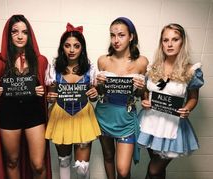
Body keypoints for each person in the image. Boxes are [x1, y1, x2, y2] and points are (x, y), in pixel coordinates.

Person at [0, 15, 51, 179]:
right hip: (9, 115)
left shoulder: (41, 61)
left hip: (34, 114)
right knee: (12, 161)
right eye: (15, 32)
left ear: (30, 35)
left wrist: (45, 93)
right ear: (8, 35)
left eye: (25, 32)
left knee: (38, 164)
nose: (20, 36)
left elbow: (50, 92)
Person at [137, 23, 204, 179]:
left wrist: (187, 108)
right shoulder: (153, 67)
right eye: (165, 40)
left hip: (172, 126)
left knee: (154, 170)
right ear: (161, 43)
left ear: (182, 42)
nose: (169, 44)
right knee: (157, 170)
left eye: (175, 39)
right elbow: (146, 92)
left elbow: (193, 97)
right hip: (149, 122)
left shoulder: (191, 70)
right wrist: (144, 100)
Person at [45, 23, 101, 179]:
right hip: (60, 115)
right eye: (67, 46)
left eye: (76, 46)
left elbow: (94, 97)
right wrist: (50, 98)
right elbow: (51, 96)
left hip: (83, 115)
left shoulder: (90, 69)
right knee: (63, 162)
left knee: (82, 168)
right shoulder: (53, 68)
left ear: (81, 48)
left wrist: (94, 94)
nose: (71, 50)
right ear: (62, 47)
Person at [95, 17, 148, 179]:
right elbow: (100, 91)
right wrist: (99, 84)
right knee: (108, 157)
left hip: (126, 117)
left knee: (123, 170)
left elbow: (140, 95)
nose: (116, 40)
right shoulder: (103, 60)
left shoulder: (141, 62)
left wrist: (140, 88)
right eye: (112, 35)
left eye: (121, 35)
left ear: (131, 36)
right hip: (104, 114)